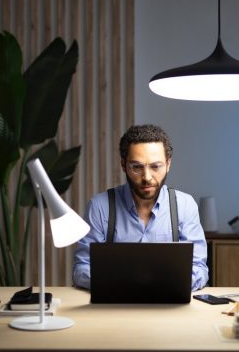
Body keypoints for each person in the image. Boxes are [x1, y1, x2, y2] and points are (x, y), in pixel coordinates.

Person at [72, 124, 209, 291]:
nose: (147, 177)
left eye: (155, 166)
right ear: (123, 165)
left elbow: (199, 268)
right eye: (137, 167)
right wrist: (125, 286)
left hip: (169, 308)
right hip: (114, 308)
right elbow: (82, 268)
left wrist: (161, 286)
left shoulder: (184, 206)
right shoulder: (100, 206)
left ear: (168, 164)